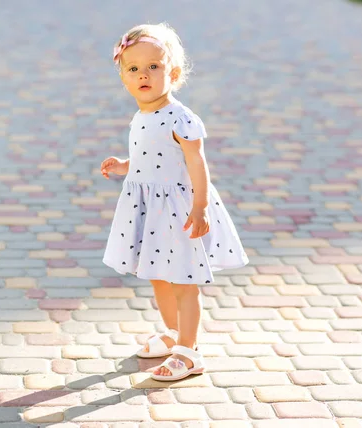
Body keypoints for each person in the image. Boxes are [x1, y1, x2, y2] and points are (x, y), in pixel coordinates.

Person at [100, 23, 249, 381]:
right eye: (133, 68)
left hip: (178, 210)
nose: (143, 75)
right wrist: (125, 164)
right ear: (123, 78)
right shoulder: (142, 115)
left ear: (174, 73)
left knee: (183, 280)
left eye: (154, 66)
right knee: (157, 277)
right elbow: (151, 155)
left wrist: (199, 208)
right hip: (150, 210)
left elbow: (197, 164)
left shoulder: (181, 118)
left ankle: (189, 350)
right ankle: (171, 333)